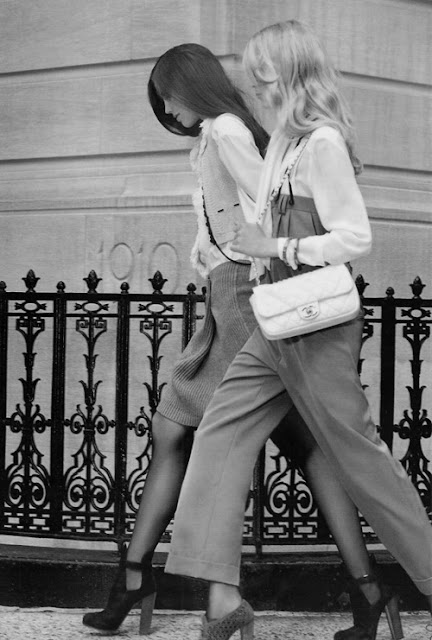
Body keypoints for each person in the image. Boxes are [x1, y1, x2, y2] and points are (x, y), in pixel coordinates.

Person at [82, 42, 383, 636]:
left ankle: (148, 580)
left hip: (246, 300)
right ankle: (367, 590)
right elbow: (235, 210)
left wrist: (252, 248)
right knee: (284, 442)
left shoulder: (225, 130)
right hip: (225, 298)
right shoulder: (210, 137)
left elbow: (271, 201)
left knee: (190, 430)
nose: (167, 109)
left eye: (168, 96)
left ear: (190, 86)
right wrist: (207, 245)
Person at [164, 22, 432, 640]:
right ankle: (223, 600)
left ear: (287, 73)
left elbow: (355, 237)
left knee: (360, 460)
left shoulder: (323, 143)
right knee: (219, 430)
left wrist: (277, 245)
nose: (253, 86)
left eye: (261, 73)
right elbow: (260, 224)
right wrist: (234, 246)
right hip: (275, 315)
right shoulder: (284, 142)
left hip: (316, 325)